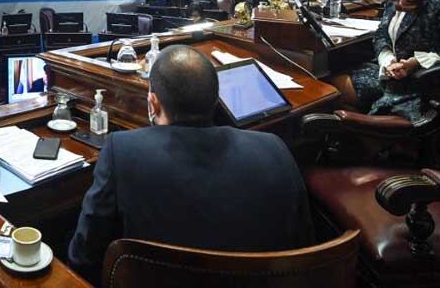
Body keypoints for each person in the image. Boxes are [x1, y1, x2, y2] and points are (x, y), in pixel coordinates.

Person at [67, 46, 312, 282]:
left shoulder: (120, 151)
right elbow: (303, 244)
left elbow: (84, 256)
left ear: (153, 103)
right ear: (217, 99)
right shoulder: (274, 147)